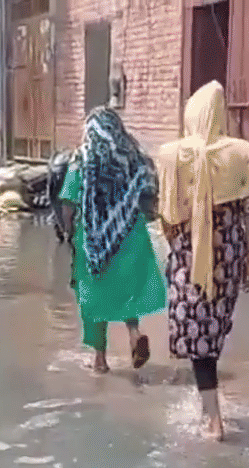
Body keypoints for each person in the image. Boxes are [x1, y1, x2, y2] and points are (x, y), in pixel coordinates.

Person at [155, 80, 249, 442]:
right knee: (212, 330)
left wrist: (179, 246)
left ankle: (213, 420)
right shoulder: (239, 154)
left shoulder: (173, 156)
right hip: (228, 257)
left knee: (196, 333)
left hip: (189, 256)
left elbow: (167, 216)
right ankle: (209, 410)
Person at [57, 106, 166, 376]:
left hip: (93, 239)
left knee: (94, 297)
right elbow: (150, 194)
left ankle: (100, 359)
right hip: (130, 233)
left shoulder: (82, 158)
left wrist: (67, 231)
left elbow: (68, 201)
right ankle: (133, 333)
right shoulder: (134, 156)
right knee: (127, 289)